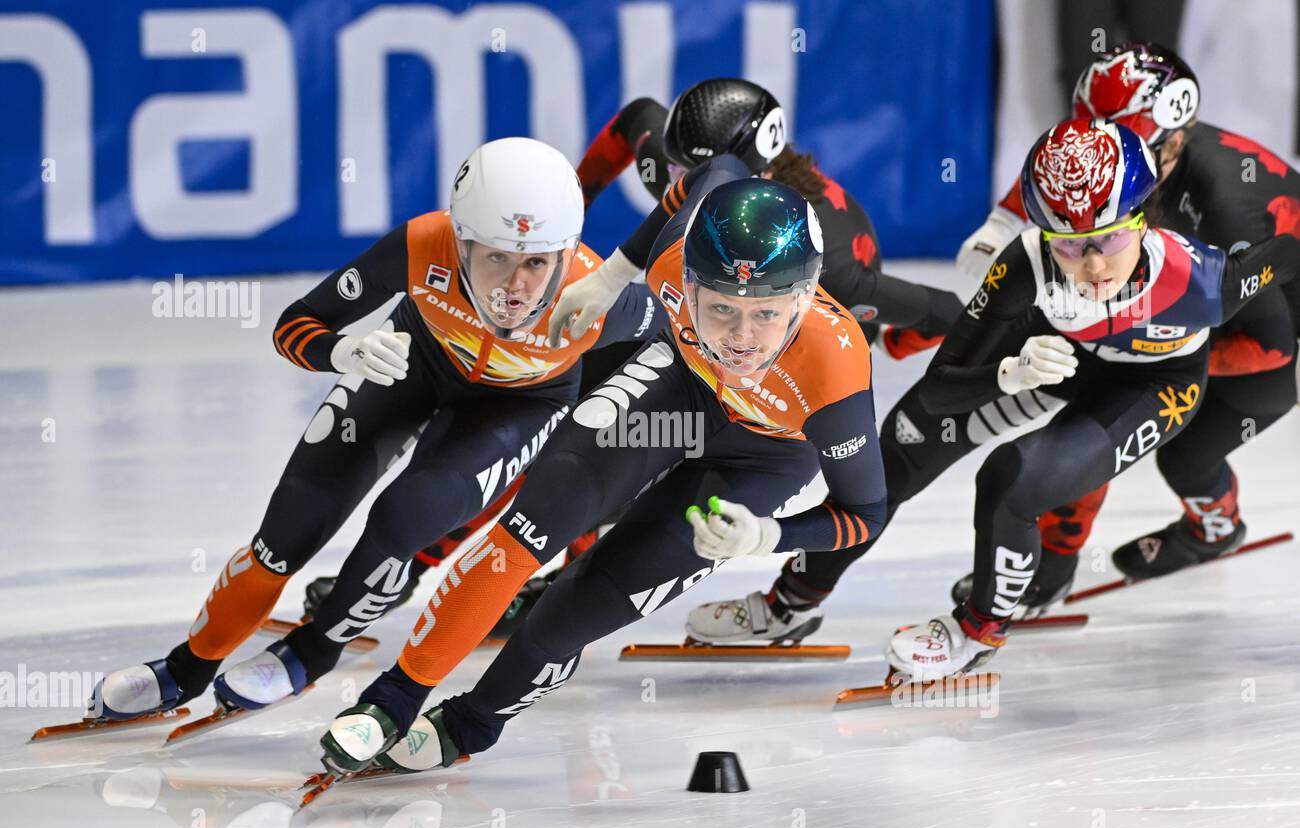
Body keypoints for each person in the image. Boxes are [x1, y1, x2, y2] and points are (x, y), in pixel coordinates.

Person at [298, 77, 966, 625]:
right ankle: (416, 563)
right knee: (567, 419)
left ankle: (560, 564)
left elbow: (939, 310)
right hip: (690, 309)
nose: (677, 185)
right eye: (676, 171)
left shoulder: (828, 265)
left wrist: (907, 343)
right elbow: (631, 125)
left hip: (770, 354)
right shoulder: (683, 161)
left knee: (619, 436)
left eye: (691, 176)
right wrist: (575, 207)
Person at [310, 165, 891, 775]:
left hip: (765, 457)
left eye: (768, 314)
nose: (742, 340)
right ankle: (395, 698)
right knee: (528, 529)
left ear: (806, 296)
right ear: (687, 288)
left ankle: (472, 724)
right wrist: (614, 276)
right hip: (679, 393)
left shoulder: (834, 366)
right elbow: (714, 172)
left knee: (576, 611)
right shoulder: (669, 262)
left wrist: (770, 536)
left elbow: (865, 514)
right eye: (720, 310)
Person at [84, 138, 665, 724]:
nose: (513, 287)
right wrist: (342, 351)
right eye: (495, 257)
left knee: (406, 517)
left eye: (536, 262)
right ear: (459, 241)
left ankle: (314, 650)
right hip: (411, 362)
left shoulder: (598, 296)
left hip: (518, 406)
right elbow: (296, 325)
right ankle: (186, 667)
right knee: (285, 531)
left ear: (565, 256)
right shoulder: (422, 244)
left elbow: (690, 328)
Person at [887, 117, 1300, 680]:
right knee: (922, 436)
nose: (1094, 266)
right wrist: (1006, 373)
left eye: (1108, 239)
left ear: (1146, 219)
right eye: (1071, 247)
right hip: (1069, 360)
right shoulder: (1025, 264)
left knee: (1010, 477)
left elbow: (1288, 254)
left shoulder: (1206, 282)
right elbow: (939, 392)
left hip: (1156, 385)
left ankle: (977, 629)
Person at [955, 42, 1298, 592]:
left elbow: (1274, 346)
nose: (1099, 164)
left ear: (1175, 144)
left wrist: (1143, 354)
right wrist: (1000, 224)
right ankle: (1057, 556)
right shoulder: (1137, 158)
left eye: (1119, 149)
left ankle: (1213, 528)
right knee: (1100, 409)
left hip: (1268, 334)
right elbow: (1066, 177)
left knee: (1182, 455)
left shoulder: (1228, 205)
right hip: (1202, 307)